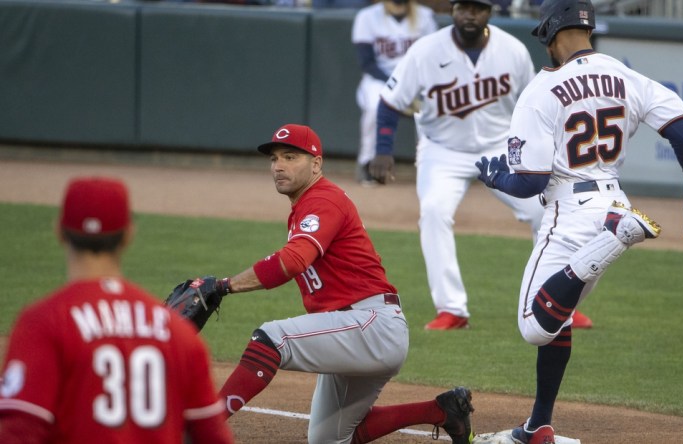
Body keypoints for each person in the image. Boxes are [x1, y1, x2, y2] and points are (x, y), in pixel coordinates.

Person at [474, 0, 683, 442]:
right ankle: (538, 426)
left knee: (534, 324)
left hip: (571, 212)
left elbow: (530, 182)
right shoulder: (625, 75)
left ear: (551, 33)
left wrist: (497, 178)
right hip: (612, 200)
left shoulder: (543, 88)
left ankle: (615, 238)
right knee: (559, 318)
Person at [175, 124, 475, 444]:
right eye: (275, 158)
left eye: (291, 157)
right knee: (328, 438)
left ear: (316, 164)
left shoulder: (323, 200)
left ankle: (202, 431)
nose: (278, 166)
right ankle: (443, 412)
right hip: (353, 329)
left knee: (272, 339)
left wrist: (223, 286)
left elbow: (292, 261)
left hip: (370, 325)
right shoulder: (306, 206)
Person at [369, 0, 592, 330]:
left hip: (501, 146)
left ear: (489, 12)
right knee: (433, 212)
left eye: (478, 8)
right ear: (452, 9)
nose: (469, 14)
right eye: (463, 7)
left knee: (544, 212)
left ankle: (558, 304)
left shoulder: (511, 50)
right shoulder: (425, 51)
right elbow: (389, 103)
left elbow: (536, 104)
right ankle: (452, 309)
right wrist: (383, 149)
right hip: (442, 150)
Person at [0, 177, 233, 444]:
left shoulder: (42, 324)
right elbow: (212, 436)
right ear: (128, 234)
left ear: (59, 231)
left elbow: (18, 432)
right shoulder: (177, 331)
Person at [351, 0, 437, 185]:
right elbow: (367, 63)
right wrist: (397, 86)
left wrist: (414, 85)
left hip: (417, 79)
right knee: (375, 106)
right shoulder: (367, 16)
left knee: (432, 107)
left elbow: (431, 57)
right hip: (379, 79)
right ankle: (367, 163)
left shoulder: (425, 16)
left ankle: (433, 167)